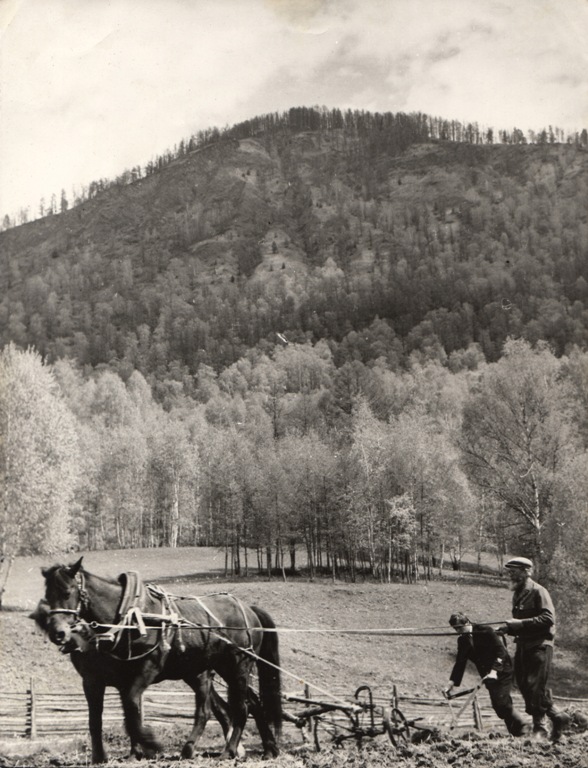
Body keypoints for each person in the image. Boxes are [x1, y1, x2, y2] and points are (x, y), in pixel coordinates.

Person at [499, 556, 570, 741]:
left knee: (535, 686)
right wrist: (508, 629)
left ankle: (541, 727)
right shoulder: (517, 594)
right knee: (523, 684)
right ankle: (558, 716)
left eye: (514, 572)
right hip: (523, 645)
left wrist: (520, 623)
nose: (510, 575)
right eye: (509, 572)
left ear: (526, 572)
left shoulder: (539, 591)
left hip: (540, 645)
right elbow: (522, 625)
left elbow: (548, 619)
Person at [445, 612, 528, 736]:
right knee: (498, 707)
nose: (458, 631)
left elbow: (501, 652)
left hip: (502, 670)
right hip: (487, 675)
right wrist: (451, 683)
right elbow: (460, 662)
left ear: (467, 622)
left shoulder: (485, 631)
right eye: (455, 629)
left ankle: (523, 726)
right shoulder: (462, 640)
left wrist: (494, 671)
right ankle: (516, 733)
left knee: (502, 703)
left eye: (460, 628)